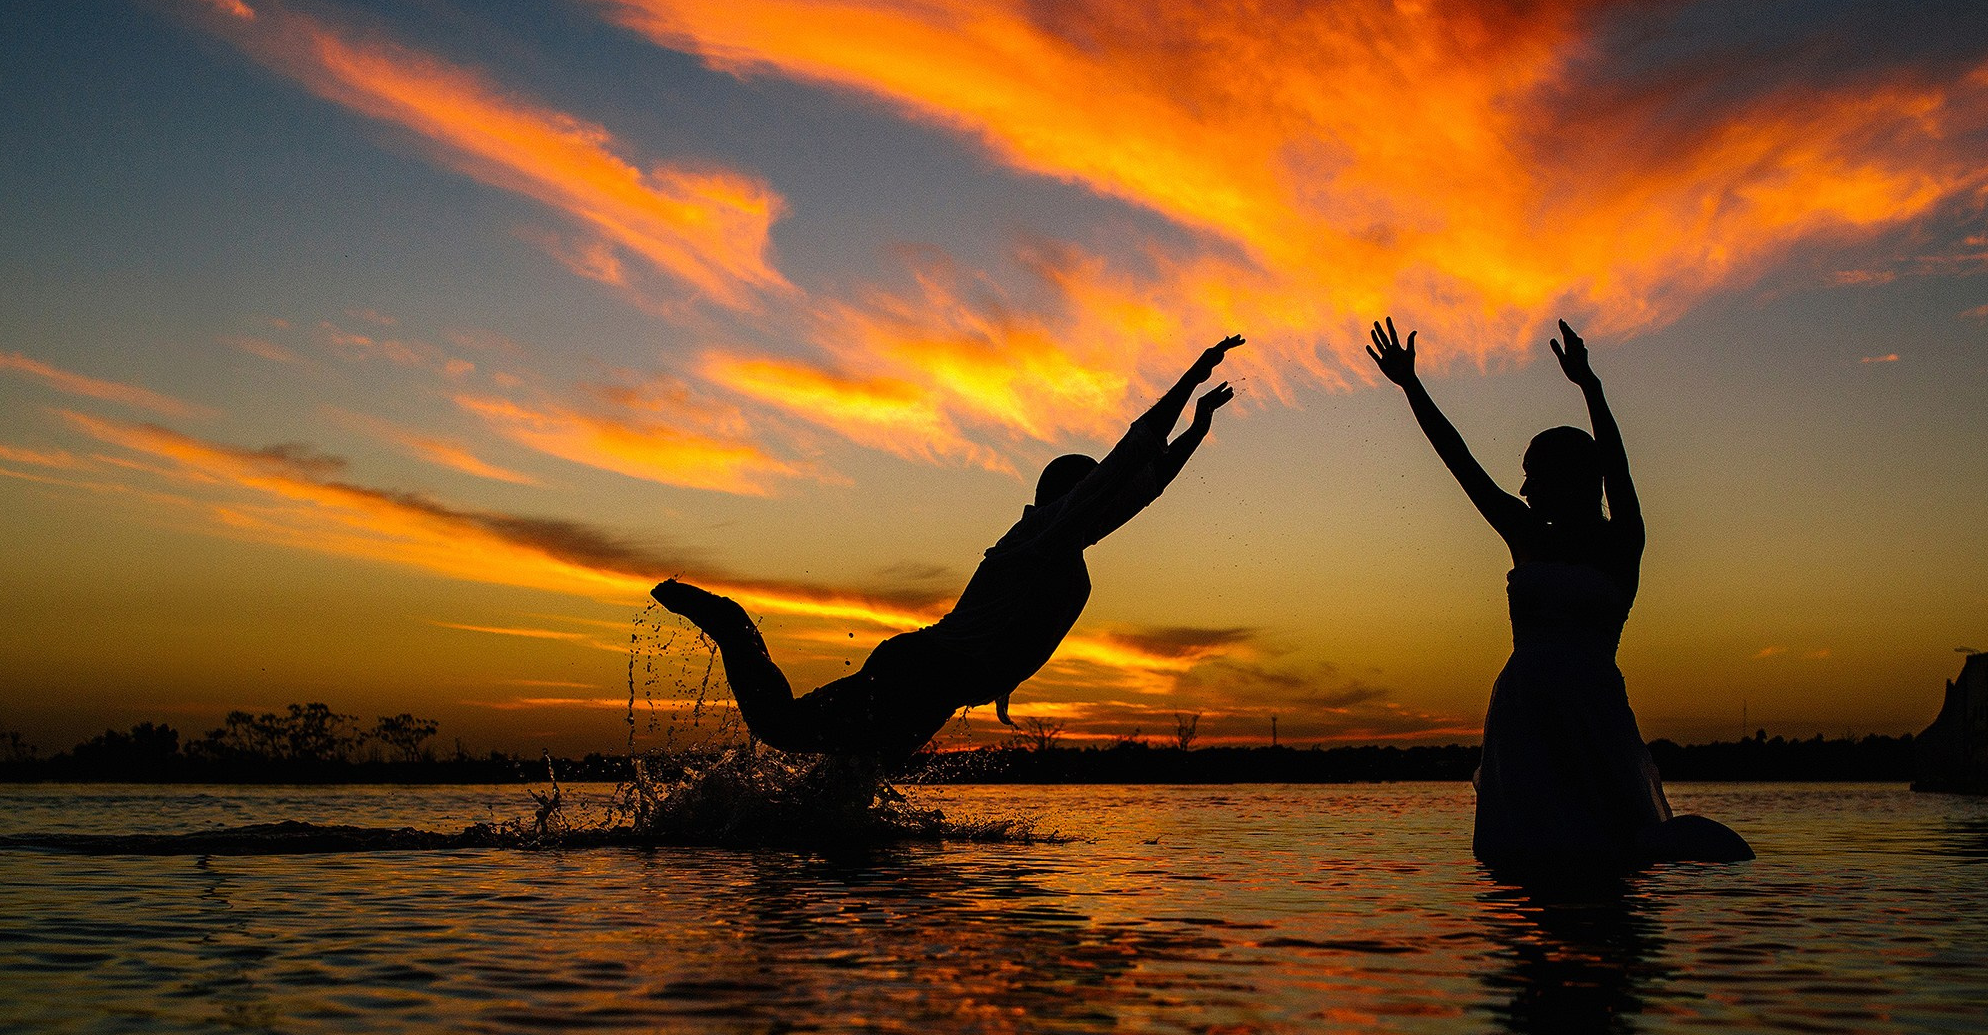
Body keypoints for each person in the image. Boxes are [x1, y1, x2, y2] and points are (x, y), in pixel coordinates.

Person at [653, 335, 1245, 766]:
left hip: (937, 680)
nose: (1103, 499)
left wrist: (1198, 427)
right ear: (1066, 498)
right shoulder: (1040, 538)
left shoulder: (1063, 549)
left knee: (843, 785)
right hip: (924, 673)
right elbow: (1126, 462)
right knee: (787, 732)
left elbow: (1140, 487)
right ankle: (728, 620)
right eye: (1089, 491)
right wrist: (1190, 378)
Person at [1366, 316, 1750, 868]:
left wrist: (1590, 387)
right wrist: (1412, 387)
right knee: (1531, 856)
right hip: (1524, 715)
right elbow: (1461, 463)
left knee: (1609, 848)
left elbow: (1615, 469)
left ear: (1569, 479)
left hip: (1593, 711)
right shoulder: (1525, 536)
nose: (1521, 487)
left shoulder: (1620, 544)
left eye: (1532, 474)